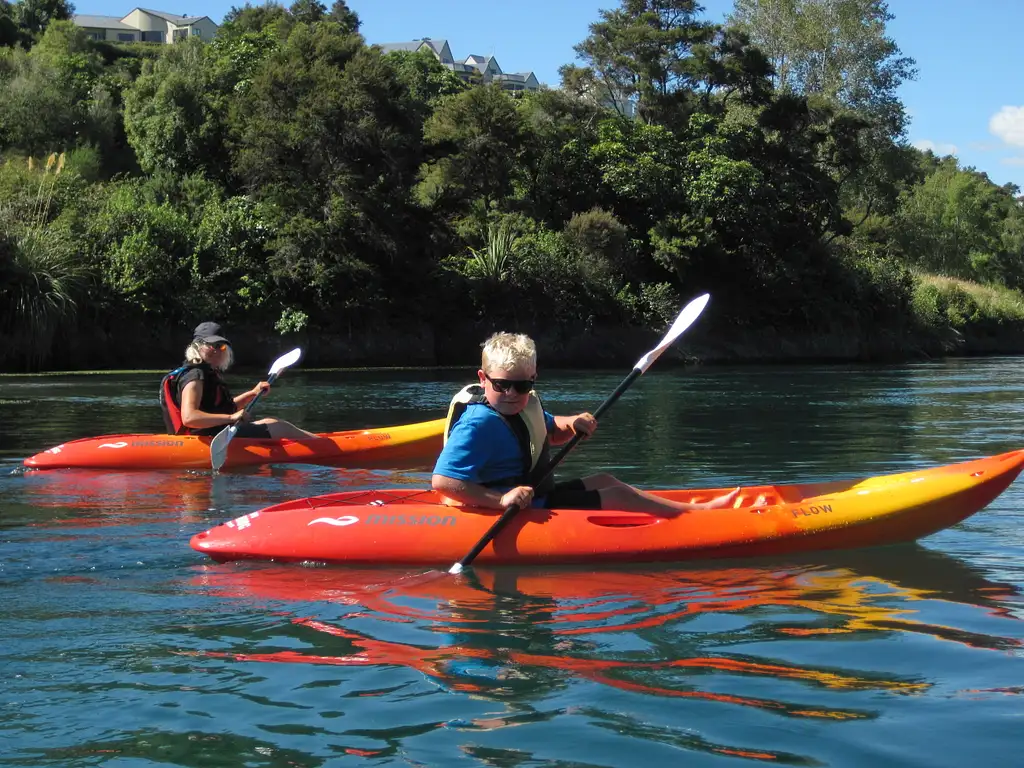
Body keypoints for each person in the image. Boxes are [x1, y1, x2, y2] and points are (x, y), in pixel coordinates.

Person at [431, 331, 740, 516]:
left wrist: (574, 423)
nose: (511, 394)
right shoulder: (478, 424)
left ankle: (680, 508)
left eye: (521, 386)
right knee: (618, 496)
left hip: (531, 495)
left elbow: (550, 430)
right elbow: (443, 482)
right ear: (483, 379)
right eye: (501, 385)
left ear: (533, 378)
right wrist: (500, 500)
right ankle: (700, 514)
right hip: (504, 508)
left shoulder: (527, 405)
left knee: (606, 479)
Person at [159, 321, 316, 440]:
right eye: (211, 345)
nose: (216, 350)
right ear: (197, 346)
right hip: (209, 439)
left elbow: (228, 407)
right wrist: (231, 418)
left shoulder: (205, 373)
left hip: (214, 433)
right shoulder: (195, 376)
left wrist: (253, 393)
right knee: (280, 428)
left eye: (220, 346)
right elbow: (190, 418)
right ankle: (327, 446)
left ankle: (322, 441)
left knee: (272, 421)